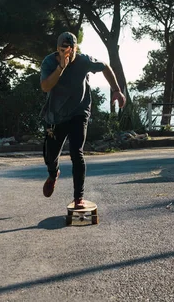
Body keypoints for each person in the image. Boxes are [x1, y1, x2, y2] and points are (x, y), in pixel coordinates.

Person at [40, 31, 126, 208]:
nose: (67, 53)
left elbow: (105, 66)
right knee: (50, 156)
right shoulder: (49, 62)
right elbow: (45, 86)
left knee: (76, 152)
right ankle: (53, 173)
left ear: (75, 49)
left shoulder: (84, 61)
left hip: (79, 112)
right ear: (57, 49)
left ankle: (78, 197)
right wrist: (61, 68)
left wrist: (116, 90)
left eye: (70, 50)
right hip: (55, 116)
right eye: (63, 49)